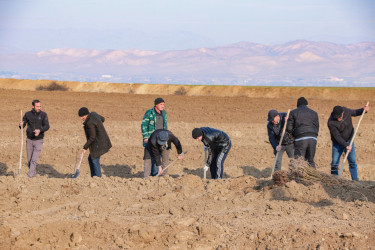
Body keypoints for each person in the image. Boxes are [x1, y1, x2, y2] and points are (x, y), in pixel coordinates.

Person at [327, 104, 370, 180]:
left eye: (339, 117)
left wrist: (363, 110)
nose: (338, 119)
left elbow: (355, 112)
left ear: (342, 113)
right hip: (337, 144)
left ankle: (355, 180)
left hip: (350, 140)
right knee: (334, 163)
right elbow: (337, 136)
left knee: (352, 161)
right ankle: (334, 181)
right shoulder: (331, 122)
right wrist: (345, 145)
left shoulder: (346, 111)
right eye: (336, 118)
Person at [19, 100, 50, 178]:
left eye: (40, 106)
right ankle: (33, 175)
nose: (39, 108)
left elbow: (47, 126)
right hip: (29, 140)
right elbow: (23, 125)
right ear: (33, 106)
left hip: (39, 140)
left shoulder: (43, 115)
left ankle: (29, 176)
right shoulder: (27, 114)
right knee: (30, 160)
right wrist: (21, 124)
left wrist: (40, 130)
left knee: (34, 160)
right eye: (37, 106)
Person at [78, 107, 112, 177]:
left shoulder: (90, 123)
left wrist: (85, 147)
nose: (81, 118)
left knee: (94, 160)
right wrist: (98, 126)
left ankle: (98, 178)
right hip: (101, 141)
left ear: (86, 114)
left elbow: (92, 137)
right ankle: (93, 176)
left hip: (98, 143)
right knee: (90, 159)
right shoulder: (93, 114)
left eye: (82, 116)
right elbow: (103, 119)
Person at [286, 97, 319, 168]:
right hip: (313, 138)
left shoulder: (293, 112)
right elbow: (317, 126)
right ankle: (313, 178)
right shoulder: (314, 113)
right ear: (306, 104)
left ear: (297, 105)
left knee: (299, 161)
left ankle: (299, 179)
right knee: (310, 160)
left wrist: (293, 137)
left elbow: (289, 129)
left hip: (300, 139)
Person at [141, 97, 168, 177]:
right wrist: (146, 137)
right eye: (161, 104)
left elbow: (165, 126)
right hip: (151, 139)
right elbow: (144, 125)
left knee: (158, 157)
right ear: (156, 105)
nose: (163, 106)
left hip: (161, 139)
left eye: (163, 104)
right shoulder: (149, 113)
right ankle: (146, 177)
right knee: (148, 157)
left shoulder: (164, 113)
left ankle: (155, 175)